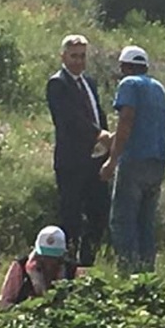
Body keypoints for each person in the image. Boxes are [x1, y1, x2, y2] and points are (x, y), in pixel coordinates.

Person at [100, 45, 165, 272]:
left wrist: (112, 159)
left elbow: (127, 120)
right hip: (157, 161)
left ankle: (128, 271)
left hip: (134, 160)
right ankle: (147, 273)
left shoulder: (129, 84)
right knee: (145, 221)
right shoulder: (158, 88)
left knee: (123, 220)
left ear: (125, 67)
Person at [46, 34, 110, 267]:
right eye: (74, 56)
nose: (78, 61)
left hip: (95, 160)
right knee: (71, 216)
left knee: (99, 213)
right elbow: (70, 119)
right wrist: (97, 134)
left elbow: (97, 113)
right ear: (63, 56)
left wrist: (107, 142)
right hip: (72, 162)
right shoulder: (58, 84)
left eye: (82, 56)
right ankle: (68, 265)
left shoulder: (89, 82)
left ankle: (87, 263)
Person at [0, 226, 83, 309]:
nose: (48, 261)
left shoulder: (73, 271)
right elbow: (4, 303)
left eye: (53, 257)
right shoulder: (20, 267)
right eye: (44, 256)